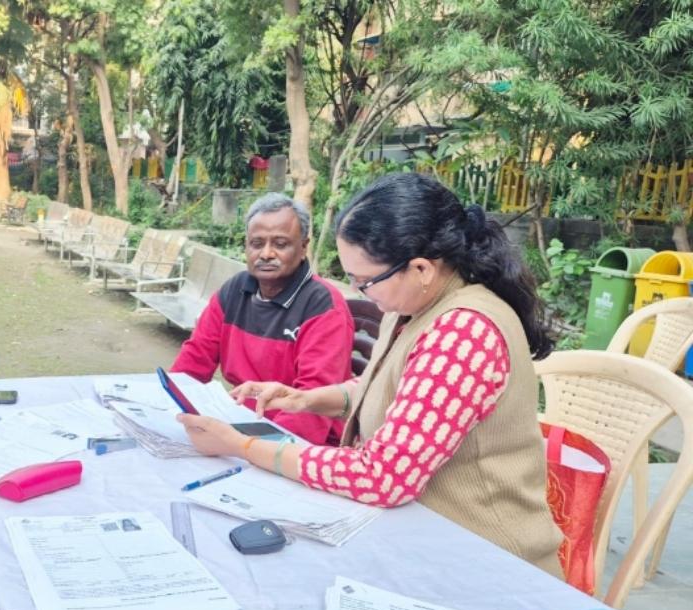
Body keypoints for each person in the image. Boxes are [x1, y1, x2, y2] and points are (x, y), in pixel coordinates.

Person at [176, 173, 563, 576]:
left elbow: (382, 476)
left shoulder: (463, 330)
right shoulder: (413, 307)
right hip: (417, 534)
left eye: (365, 281)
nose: (360, 292)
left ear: (421, 269)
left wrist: (242, 446)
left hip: (484, 560)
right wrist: (308, 397)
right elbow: (398, 389)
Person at [170, 193, 354, 444]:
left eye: (280, 244)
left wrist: (246, 447)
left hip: (300, 442)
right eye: (257, 243)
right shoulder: (233, 291)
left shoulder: (323, 307)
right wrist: (169, 407)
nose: (266, 254)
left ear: (303, 247)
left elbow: (311, 409)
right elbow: (193, 362)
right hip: (238, 421)